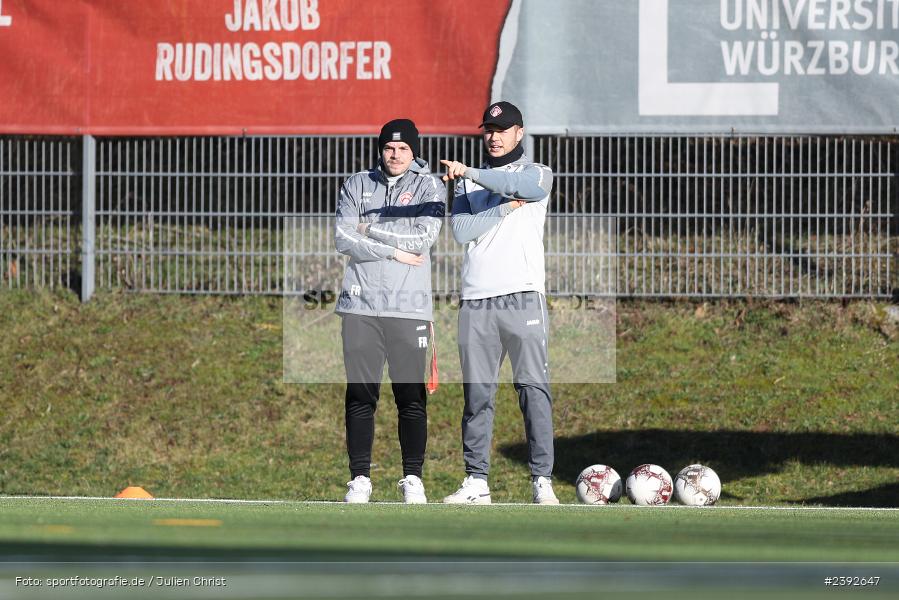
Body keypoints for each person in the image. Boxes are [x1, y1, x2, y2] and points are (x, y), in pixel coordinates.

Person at [440, 101, 558, 505]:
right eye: (488, 129)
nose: (493, 136)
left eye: (502, 129)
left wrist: (471, 172)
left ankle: (541, 479)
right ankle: (476, 481)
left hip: (523, 294)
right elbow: (460, 230)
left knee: (532, 388)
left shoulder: (536, 171)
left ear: (519, 133)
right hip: (476, 297)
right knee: (477, 395)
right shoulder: (467, 183)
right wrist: (505, 208)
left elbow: (524, 189)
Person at [334, 118, 445, 504]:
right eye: (388, 148)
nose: (395, 155)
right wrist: (390, 249)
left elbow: (424, 237)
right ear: (380, 150)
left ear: (414, 151)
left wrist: (372, 230)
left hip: (408, 308)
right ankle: (360, 478)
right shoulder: (356, 184)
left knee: (410, 397)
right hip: (360, 306)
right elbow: (342, 236)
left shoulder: (429, 185)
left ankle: (412, 478)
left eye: (403, 148)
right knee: (361, 395)